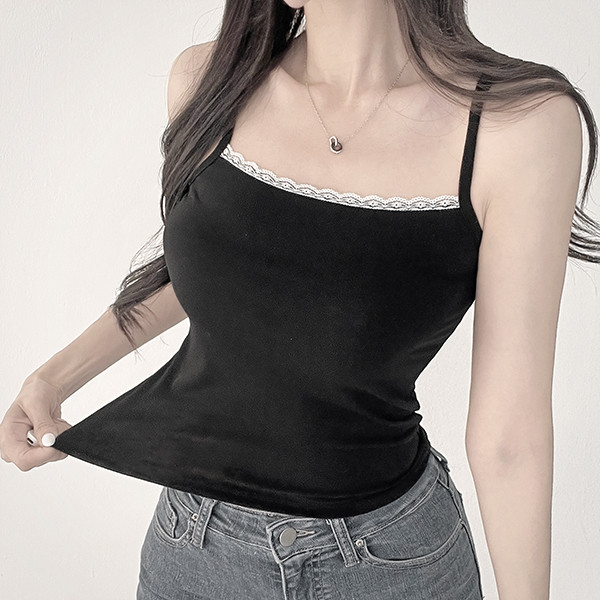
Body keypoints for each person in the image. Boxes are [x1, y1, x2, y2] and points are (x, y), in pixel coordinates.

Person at [2, 1, 598, 599]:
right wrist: (54, 377)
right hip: (193, 547)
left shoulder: (518, 126)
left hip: (388, 561)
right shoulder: (208, 81)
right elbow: (221, 278)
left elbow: (510, 435)